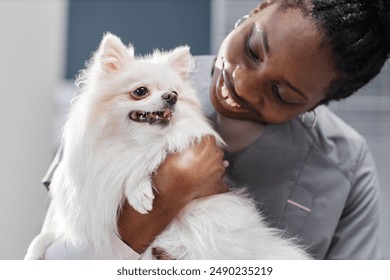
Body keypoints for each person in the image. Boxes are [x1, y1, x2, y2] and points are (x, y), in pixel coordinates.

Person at [42, 0, 389, 259]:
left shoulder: (348, 166)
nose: (241, 83)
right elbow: (55, 257)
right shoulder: (129, 94)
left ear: (317, 104)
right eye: (252, 49)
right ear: (259, 8)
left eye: (281, 94)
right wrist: (169, 193)